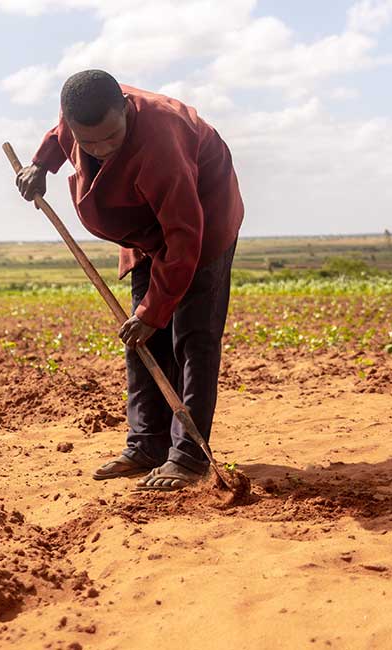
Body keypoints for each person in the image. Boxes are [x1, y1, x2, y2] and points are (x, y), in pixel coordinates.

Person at [15, 69, 243, 491]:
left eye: (111, 138)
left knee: (192, 337)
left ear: (124, 106)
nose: (101, 149)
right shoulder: (78, 120)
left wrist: (155, 312)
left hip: (201, 222)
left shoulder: (163, 145)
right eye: (90, 142)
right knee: (140, 338)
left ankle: (190, 457)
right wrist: (39, 166)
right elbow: (57, 136)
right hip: (142, 227)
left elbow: (183, 239)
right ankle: (147, 444)